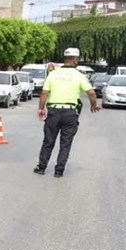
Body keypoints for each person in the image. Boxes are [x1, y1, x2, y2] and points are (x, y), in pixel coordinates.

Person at [33, 47, 100, 178]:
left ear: (65, 59)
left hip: (53, 112)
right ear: (76, 60)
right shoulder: (79, 75)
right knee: (65, 143)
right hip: (70, 114)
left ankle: (41, 167)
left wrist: (41, 108)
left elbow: (44, 93)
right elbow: (91, 92)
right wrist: (93, 105)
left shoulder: (53, 74)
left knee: (48, 141)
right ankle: (59, 171)